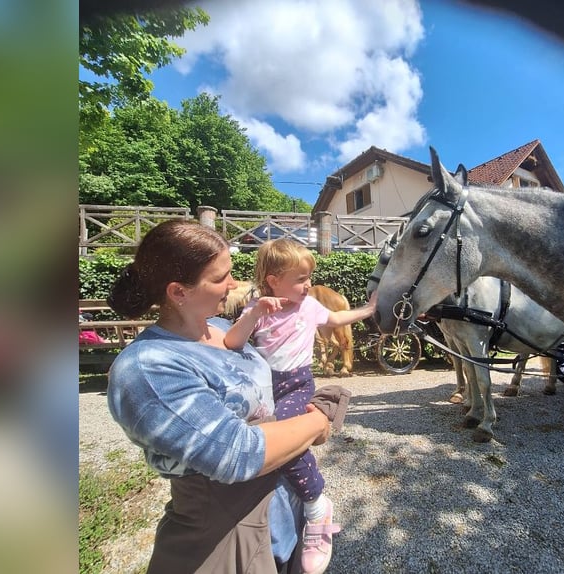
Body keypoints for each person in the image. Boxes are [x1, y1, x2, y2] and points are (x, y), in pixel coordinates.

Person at [106, 220, 332, 574]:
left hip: (283, 505)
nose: (235, 284)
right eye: (220, 278)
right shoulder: (148, 367)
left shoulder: (224, 330)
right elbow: (238, 454)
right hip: (224, 532)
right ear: (178, 292)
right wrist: (319, 419)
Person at [224, 238, 376, 574]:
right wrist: (255, 312)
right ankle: (286, 519)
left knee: (285, 439)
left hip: (297, 383)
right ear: (273, 281)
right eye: (300, 279)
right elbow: (233, 342)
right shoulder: (259, 308)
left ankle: (316, 504)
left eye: (309, 277)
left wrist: (367, 310)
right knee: (270, 448)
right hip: (266, 386)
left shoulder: (308, 308)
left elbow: (336, 320)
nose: (308, 285)